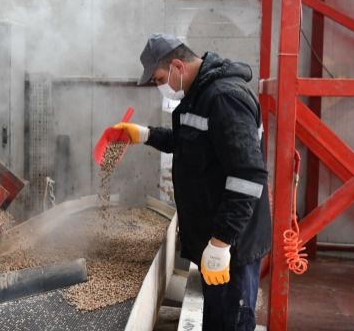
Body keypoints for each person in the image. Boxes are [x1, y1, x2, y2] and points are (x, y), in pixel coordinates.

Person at [114, 34, 271, 331]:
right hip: (214, 241)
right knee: (216, 321)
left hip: (232, 248)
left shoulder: (223, 97)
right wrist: (146, 134)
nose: (162, 85)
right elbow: (191, 143)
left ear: (177, 65)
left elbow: (248, 175)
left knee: (231, 323)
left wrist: (221, 243)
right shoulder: (197, 96)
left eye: (160, 78)